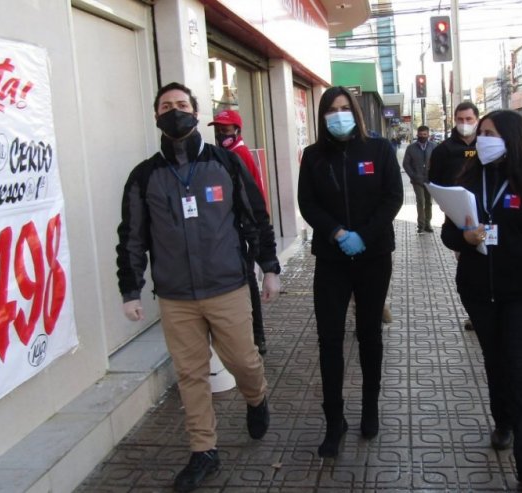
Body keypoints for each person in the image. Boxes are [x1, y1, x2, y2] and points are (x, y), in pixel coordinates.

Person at [116, 82, 282, 492]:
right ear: (156, 116)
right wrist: (131, 289)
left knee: (243, 361)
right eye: (167, 106)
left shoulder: (225, 164)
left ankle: (256, 397)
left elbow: (255, 216)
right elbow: (132, 237)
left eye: (182, 105)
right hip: (176, 297)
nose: (175, 111)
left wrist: (270, 268)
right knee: (191, 375)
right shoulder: (144, 176)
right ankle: (203, 450)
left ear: (195, 111)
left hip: (226, 287)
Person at [440, 110, 522, 491]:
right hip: (478, 291)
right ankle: (503, 421)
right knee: (494, 361)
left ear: (511, 138)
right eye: (481, 132)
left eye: (490, 133)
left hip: (521, 296)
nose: (482, 138)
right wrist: (464, 239)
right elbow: (447, 232)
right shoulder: (468, 179)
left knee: (521, 371)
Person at [297, 86, 403, 458]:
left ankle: (370, 407)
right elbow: (306, 203)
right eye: (331, 110)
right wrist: (338, 233)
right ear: (322, 116)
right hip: (331, 258)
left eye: (344, 108)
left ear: (355, 113)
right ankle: (334, 420)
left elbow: (393, 197)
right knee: (329, 339)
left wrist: (365, 234)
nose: (338, 115)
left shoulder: (379, 150)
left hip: (373, 256)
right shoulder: (312, 156)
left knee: (369, 332)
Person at [209, 109, 269, 355]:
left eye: (226, 129)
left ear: (237, 130)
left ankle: (257, 337)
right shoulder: (226, 155)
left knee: (248, 284)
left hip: (244, 231)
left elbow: (254, 198)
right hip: (234, 231)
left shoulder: (239, 155)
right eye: (218, 130)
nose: (222, 134)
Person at [430, 101, 480, 332]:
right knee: (467, 262)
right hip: (458, 216)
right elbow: (435, 181)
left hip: (486, 213)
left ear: (476, 119)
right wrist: (446, 204)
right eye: (460, 119)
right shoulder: (444, 150)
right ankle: (475, 313)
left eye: (469, 119)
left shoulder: (486, 144)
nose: (465, 124)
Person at [402, 125, 435, 233]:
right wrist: (413, 175)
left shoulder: (433, 147)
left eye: (424, 134)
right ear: (417, 135)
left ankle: (428, 223)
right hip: (417, 180)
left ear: (428, 135)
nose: (422, 136)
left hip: (430, 180)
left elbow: (438, 162)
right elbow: (406, 164)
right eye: (420, 135)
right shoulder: (411, 148)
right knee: (421, 201)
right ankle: (421, 224)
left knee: (429, 202)